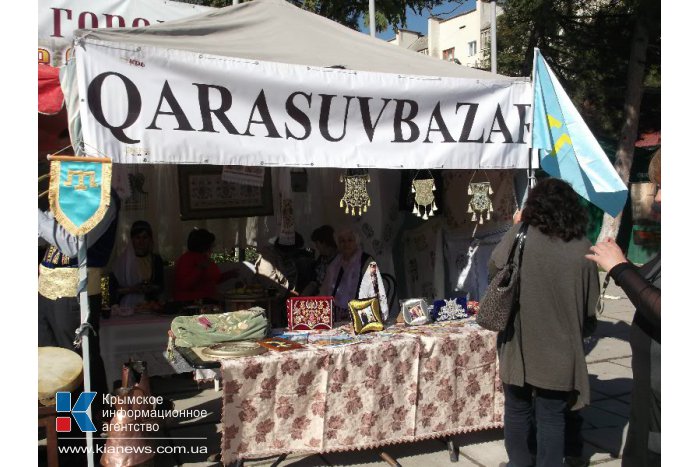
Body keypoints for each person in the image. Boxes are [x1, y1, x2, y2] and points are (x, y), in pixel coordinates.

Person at [490, 178, 599, 467]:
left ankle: (520, 464)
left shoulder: (521, 234)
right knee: (552, 415)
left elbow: (494, 269)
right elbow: (590, 307)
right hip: (561, 347)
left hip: (520, 340)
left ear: (534, 206)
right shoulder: (583, 248)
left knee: (517, 409)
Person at [586, 149, 661, 467]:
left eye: (664, 187)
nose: (657, 198)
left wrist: (620, 269)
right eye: (657, 187)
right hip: (650, 408)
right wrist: (624, 266)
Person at [38, 190, 120, 436]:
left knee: (77, 366)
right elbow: (45, 238)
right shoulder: (69, 196)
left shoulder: (104, 198)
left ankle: (87, 434)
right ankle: (64, 430)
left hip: (76, 291)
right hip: (45, 290)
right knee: (53, 369)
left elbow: (73, 244)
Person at [320, 226, 389, 321]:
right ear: (338, 244)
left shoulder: (366, 260)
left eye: (350, 240)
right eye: (342, 241)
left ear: (356, 242)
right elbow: (325, 291)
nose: (346, 244)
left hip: (362, 312)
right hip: (336, 314)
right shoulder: (334, 263)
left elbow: (376, 289)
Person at [109, 220, 164, 309]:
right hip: (126, 308)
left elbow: (161, 286)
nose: (141, 241)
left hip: (150, 306)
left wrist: (150, 288)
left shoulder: (156, 260)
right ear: (132, 239)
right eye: (137, 237)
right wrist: (132, 289)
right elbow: (113, 290)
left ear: (150, 239)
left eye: (145, 237)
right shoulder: (121, 262)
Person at [174, 228, 236, 304]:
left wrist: (229, 275)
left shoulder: (205, 258)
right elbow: (183, 285)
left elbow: (213, 279)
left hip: (209, 299)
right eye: (211, 244)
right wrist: (199, 269)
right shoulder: (186, 259)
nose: (213, 247)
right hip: (192, 301)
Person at [301, 225, 338, 296]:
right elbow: (315, 282)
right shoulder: (322, 258)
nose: (316, 246)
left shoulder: (339, 260)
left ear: (324, 243)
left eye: (317, 243)